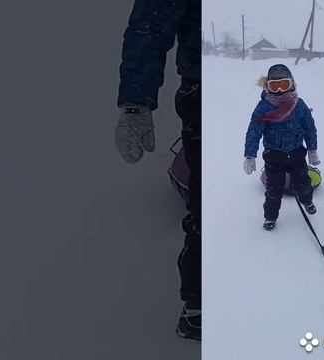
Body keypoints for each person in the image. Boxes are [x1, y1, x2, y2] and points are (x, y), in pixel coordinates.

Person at [114, 0, 201, 341]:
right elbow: (150, 23)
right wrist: (135, 102)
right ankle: (200, 306)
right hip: (203, 89)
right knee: (207, 203)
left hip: (252, 89)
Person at [244, 64, 321, 231]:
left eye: (283, 85)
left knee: (303, 182)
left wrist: (312, 149)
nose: (279, 90)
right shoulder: (264, 106)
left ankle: (307, 201)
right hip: (274, 155)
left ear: (291, 84)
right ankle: (270, 217)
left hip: (296, 153)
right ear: (267, 86)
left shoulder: (299, 105)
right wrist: (250, 155)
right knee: (274, 189)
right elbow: (254, 130)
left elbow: (309, 127)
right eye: (274, 86)